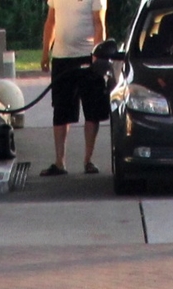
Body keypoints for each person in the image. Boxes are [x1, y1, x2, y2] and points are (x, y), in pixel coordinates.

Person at [42, 0, 110, 177]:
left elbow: (99, 23)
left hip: (88, 57)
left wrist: (97, 54)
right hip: (61, 57)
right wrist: (45, 52)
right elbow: (51, 21)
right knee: (61, 109)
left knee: (92, 110)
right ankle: (59, 162)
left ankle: (88, 160)